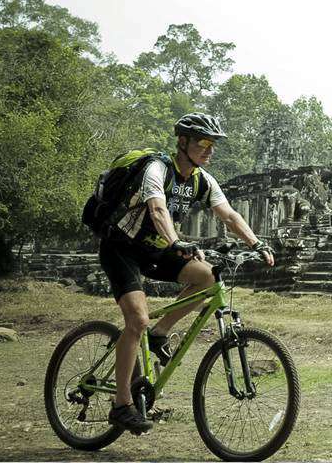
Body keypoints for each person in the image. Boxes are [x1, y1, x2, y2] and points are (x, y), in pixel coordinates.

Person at [98, 112, 276, 434]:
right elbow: (157, 209)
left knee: (207, 277)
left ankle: (160, 333)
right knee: (136, 320)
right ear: (183, 142)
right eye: (203, 142)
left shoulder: (202, 180)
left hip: (157, 249)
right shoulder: (157, 169)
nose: (210, 150)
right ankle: (121, 404)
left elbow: (230, 216)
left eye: (213, 144)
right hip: (122, 248)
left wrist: (256, 242)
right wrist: (177, 241)